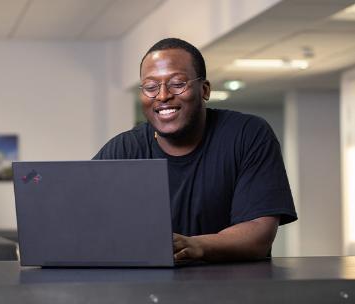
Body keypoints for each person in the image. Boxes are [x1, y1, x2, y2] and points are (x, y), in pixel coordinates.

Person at [93, 38, 297, 262]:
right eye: (151, 87)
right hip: (148, 290)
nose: (162, 96)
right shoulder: (124, 149)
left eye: (177, 83)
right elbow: (82, 214)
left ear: (205, 90)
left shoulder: (247, 135)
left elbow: (259, 233)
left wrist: (195, 245)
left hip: (235, 289)